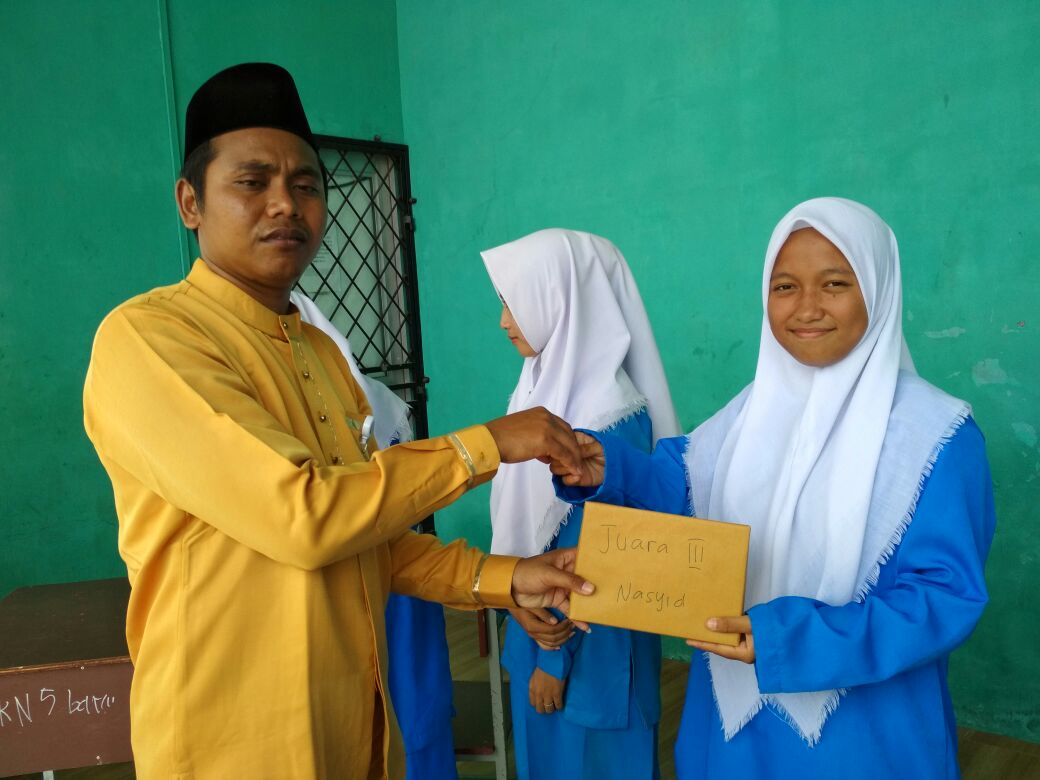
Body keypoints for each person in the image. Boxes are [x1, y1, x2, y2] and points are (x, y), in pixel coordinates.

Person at [82, 63, 594, 780]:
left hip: (356, 729)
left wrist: (501, 578)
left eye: (306, 186)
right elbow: (306, 517)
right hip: (230, 745)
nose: (285, 206)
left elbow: (365, 532)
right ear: (190, 202)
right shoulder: (149, 339)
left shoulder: (321, 352)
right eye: (252, 182)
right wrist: (487, 446)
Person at [553, 198, 995, 779]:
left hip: (864, 735)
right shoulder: (749, 411)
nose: (806, 308)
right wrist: (608, 468)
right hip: (729, 718)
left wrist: (791, 638)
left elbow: (944, 597)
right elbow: (686, 486)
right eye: (785, 287)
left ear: (878, 290)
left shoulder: (936, 434)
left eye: (835, 283)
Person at [481, 229, 682, 780]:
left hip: (588, 658)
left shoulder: (608, 419)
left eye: (515, 302)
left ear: (561, 298)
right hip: (538, 632)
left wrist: (554, 659)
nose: (504, 321)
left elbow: (599, 560)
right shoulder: (537, 389)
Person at [293, 291, 459, 779]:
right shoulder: (376, 403)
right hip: (386, 585)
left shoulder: (363, 406)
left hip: (383, 583)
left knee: (405, 719)